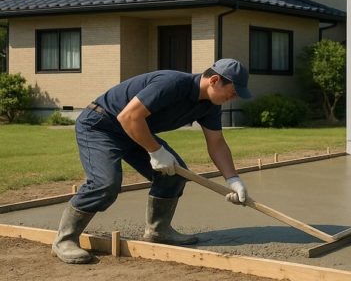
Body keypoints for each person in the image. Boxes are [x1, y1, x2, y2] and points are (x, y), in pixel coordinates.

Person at [52, 58, 252, 264]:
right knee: (105, 184)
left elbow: (217, 143)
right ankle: (65, 240)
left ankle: (158, 231)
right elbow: (128, 117)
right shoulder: (172, 84)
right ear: (215, 80)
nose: (233, 98)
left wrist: (233, 180)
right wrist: (156, 151)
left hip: (134, 130)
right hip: (101, 125)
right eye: (233, 92)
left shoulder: (210, 106)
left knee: (174, 175)